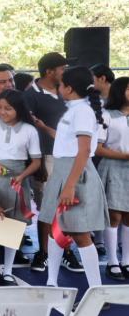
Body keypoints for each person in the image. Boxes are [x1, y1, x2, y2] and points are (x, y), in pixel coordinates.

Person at [38, 66, 110, 289]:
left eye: (60, 84)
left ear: (68, 88)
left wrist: (69, 186)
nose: (58, 88)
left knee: (80, 233)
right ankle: (51, 282)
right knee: (56, 227)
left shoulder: (82, 111)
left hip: (74, 175)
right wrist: (44, 127)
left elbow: (83, 150)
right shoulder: (75, 109)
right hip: (63, 170)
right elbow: (67, 142)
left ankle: (95, 288)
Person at [0, 90, 42, 285]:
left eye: (8, 109)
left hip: (18, 178)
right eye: (0, 107)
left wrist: (21, 176)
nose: (2, 112)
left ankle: (8, 270)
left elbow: (36, 161)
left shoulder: (29, 130)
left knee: (13, 226)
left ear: (18, 110)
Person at [22, 52, 81, 272]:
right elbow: (29, 130)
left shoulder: (68, 92)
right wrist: (36, 164)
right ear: (49, 71)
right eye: (62, 68)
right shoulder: (31, 95)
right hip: (45, 157)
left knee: (66, 206)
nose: (65, 72)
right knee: (47, 207)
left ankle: (65, 251)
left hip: (69, 158)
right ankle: (44, 252)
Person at [95, 76, 129, 280]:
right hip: (114, 166)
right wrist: (124, 156)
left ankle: (126, 260)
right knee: (114, 215)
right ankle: (112, 261)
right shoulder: (106, 115)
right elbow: (98, 149)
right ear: (119, 91)